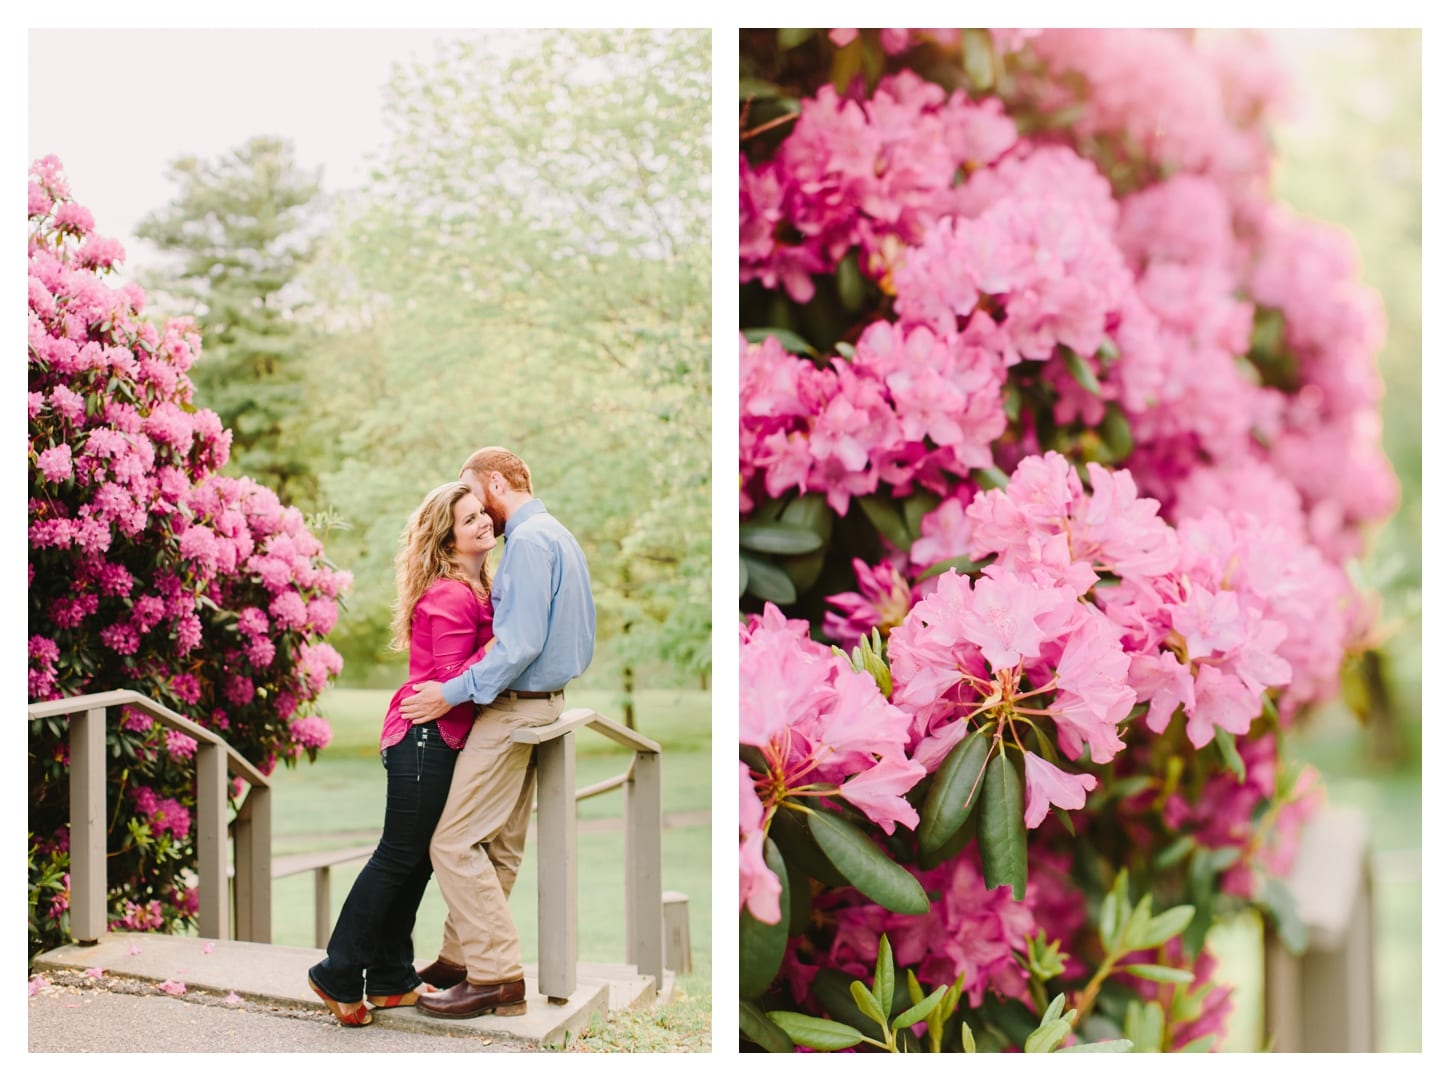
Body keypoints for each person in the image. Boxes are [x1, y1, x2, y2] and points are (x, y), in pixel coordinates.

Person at [399, 446, 595, 1020]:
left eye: (473, 494)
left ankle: (498, 977)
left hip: (514, 709)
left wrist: (451, 693)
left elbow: (521, 644)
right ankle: (461, 960)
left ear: (494, 482)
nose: (476, 510)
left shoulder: (530, 544)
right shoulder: (556, 534)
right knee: (500, 846)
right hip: (542, 706)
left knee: (453, 842)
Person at [306, 481, 497, 1028]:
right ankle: (338, 971)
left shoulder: (475, 586)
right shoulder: (452, 594)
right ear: (448, 539)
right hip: (422, 739)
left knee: (415, 862)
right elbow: (448, 679)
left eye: (482, 512)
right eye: (468, 519)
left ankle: (391, 978)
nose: (483, 522)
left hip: (436, 738)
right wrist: (505, 642)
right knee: (397, 857)